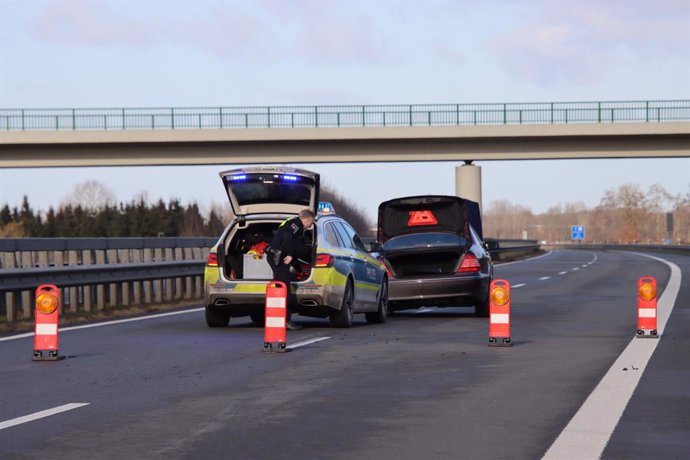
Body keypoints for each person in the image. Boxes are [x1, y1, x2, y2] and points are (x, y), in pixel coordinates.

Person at [267, 209, 315, 331]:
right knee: (284, 288)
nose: (311, 225)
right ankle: (286, 321)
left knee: (281, 286)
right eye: (311, 222)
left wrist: (296, 265)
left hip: (276, 256)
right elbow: (288, 237)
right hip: (278, 257)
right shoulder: (297, 225)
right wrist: (291, 254)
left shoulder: (291, 222)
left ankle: (278, 319)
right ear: (307, 219)